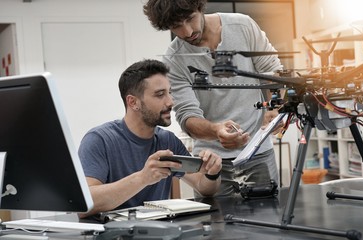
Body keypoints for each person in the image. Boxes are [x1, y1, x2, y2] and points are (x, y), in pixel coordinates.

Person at [143, 0, 283, 196]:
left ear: (200, 7)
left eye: (190, 19)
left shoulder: (243, 26)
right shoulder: (173, 60)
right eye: (176, 27)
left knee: (268, 217)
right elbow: (187, 116)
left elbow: (271, 69)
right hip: (210, 162)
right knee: (215, 223)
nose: (187, 31)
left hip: (257, 151)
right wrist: (216, 130)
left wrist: (274, 108)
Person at [78, 59, 222, 217]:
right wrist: (143, 178)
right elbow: (84, 205)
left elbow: (204, 188)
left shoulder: (167, 140)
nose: (170, 102)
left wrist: (212, 172)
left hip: (157, 234)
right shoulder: (99, 140)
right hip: (110, 239)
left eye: (170, 93)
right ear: (133, 102)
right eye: (160, 95)